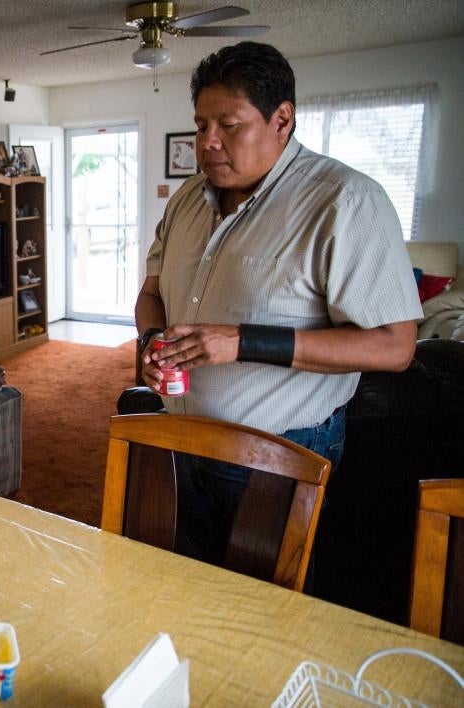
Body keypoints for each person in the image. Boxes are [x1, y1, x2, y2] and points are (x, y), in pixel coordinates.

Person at [134, 42, 422, 565]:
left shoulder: (345, 201)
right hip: (178, 437)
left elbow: (395, 346)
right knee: (178, 585)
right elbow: (152, 294)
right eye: (201, 126)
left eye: (229, 125)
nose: (208, 143)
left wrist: (242, 342)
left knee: (264, 610)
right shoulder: (185, 200)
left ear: (282, 119)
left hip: (276, 454)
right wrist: (152, 341)